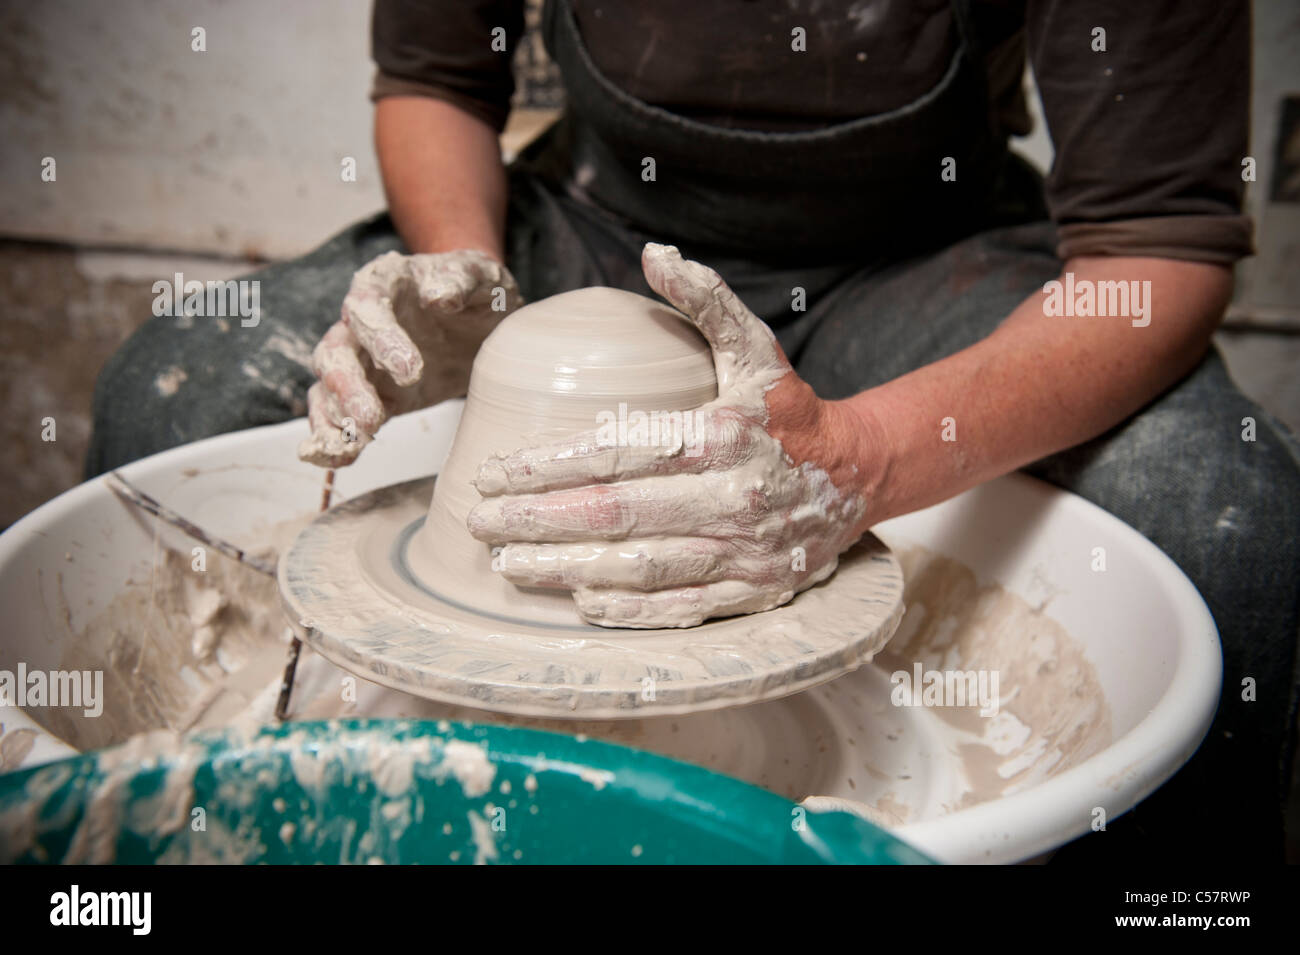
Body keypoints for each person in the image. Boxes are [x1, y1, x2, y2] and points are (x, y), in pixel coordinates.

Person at [88, 1, 1298, 862]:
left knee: (1223, 535)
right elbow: (439, 80)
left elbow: (1157, 248)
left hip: (929, 256)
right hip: (596, 226)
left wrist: (863, 458)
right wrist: (468, 272)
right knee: (178, 400)